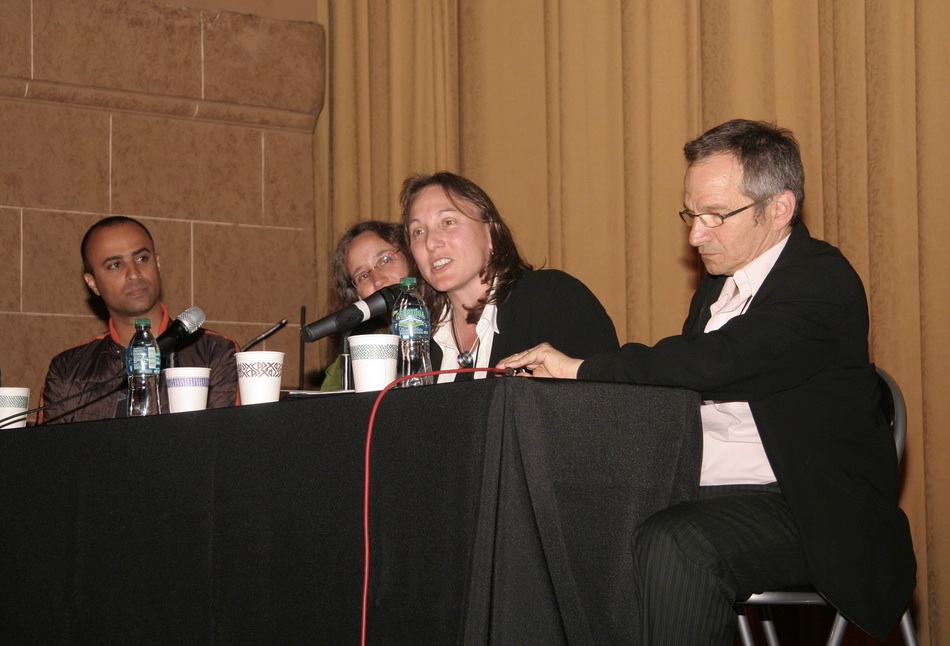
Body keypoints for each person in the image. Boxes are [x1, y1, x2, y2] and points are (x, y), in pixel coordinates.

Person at [499, 119, 916, 643]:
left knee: (675, 543)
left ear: (780, 209)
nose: (696, 236)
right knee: (561, 519)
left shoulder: (821, 282)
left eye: (716, 215)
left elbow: (716, 362)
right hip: (708, 493)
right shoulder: (717, 289)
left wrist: (580, 368)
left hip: (812, 511)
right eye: (691, 216)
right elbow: (681, 397)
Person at [401, 171, 618, 382]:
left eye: (448, 222)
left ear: (491, 233)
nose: (430, 242)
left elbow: (606, 404)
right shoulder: (416, 337)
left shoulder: (553, 298)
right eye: (418, 232)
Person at [39, 216, 240, 424]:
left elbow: (225, 446)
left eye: (142, 258)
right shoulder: (68, 370)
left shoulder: (214, 353)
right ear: (93, 283)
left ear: (158, 263)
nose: (134, 274)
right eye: (115, 265)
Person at [320, 220, 413, 391]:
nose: (378, 280)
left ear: (411, 255)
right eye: (363, 276)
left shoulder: (447, 327)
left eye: (385, 260)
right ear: (357, 296)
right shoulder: (356, 354)